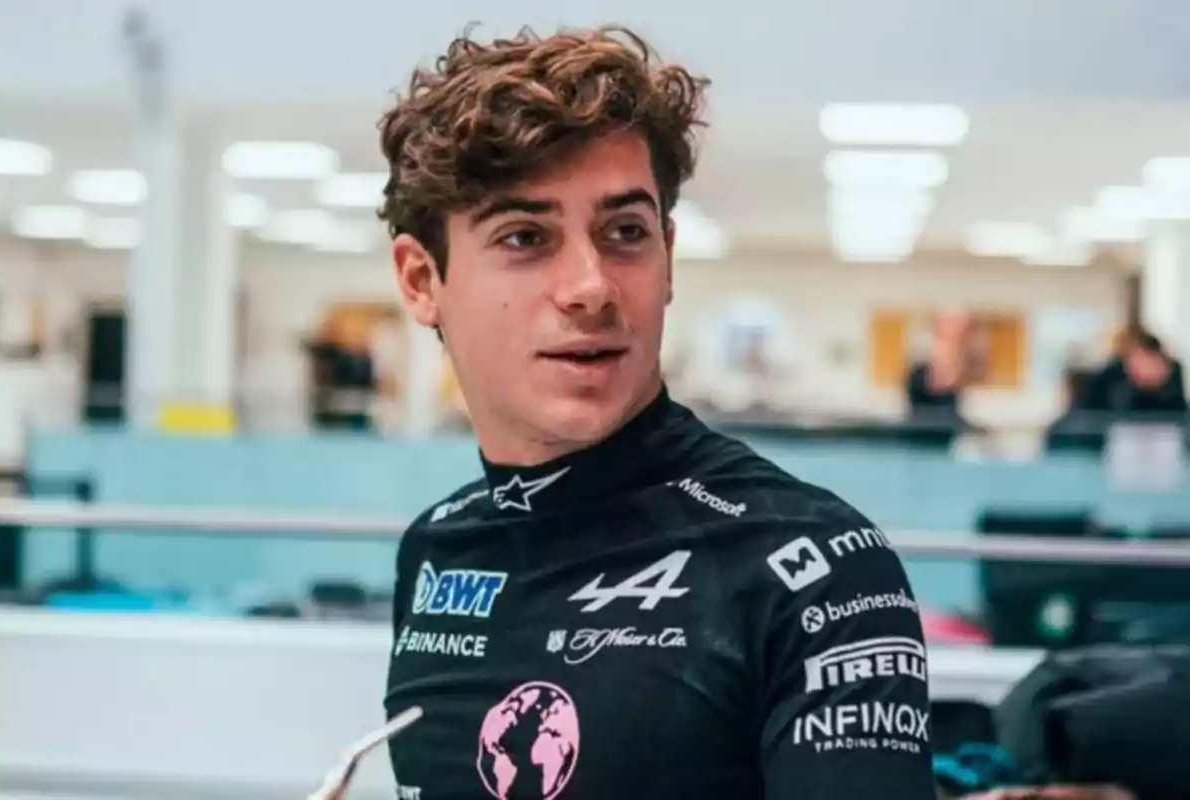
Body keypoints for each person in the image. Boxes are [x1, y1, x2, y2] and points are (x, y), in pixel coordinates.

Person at [378, 25, 935, 799]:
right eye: (525, 237)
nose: (592, 286)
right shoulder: (438, 550)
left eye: (625, 233)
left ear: (667, 258)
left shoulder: (814, 567)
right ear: (420, 279)